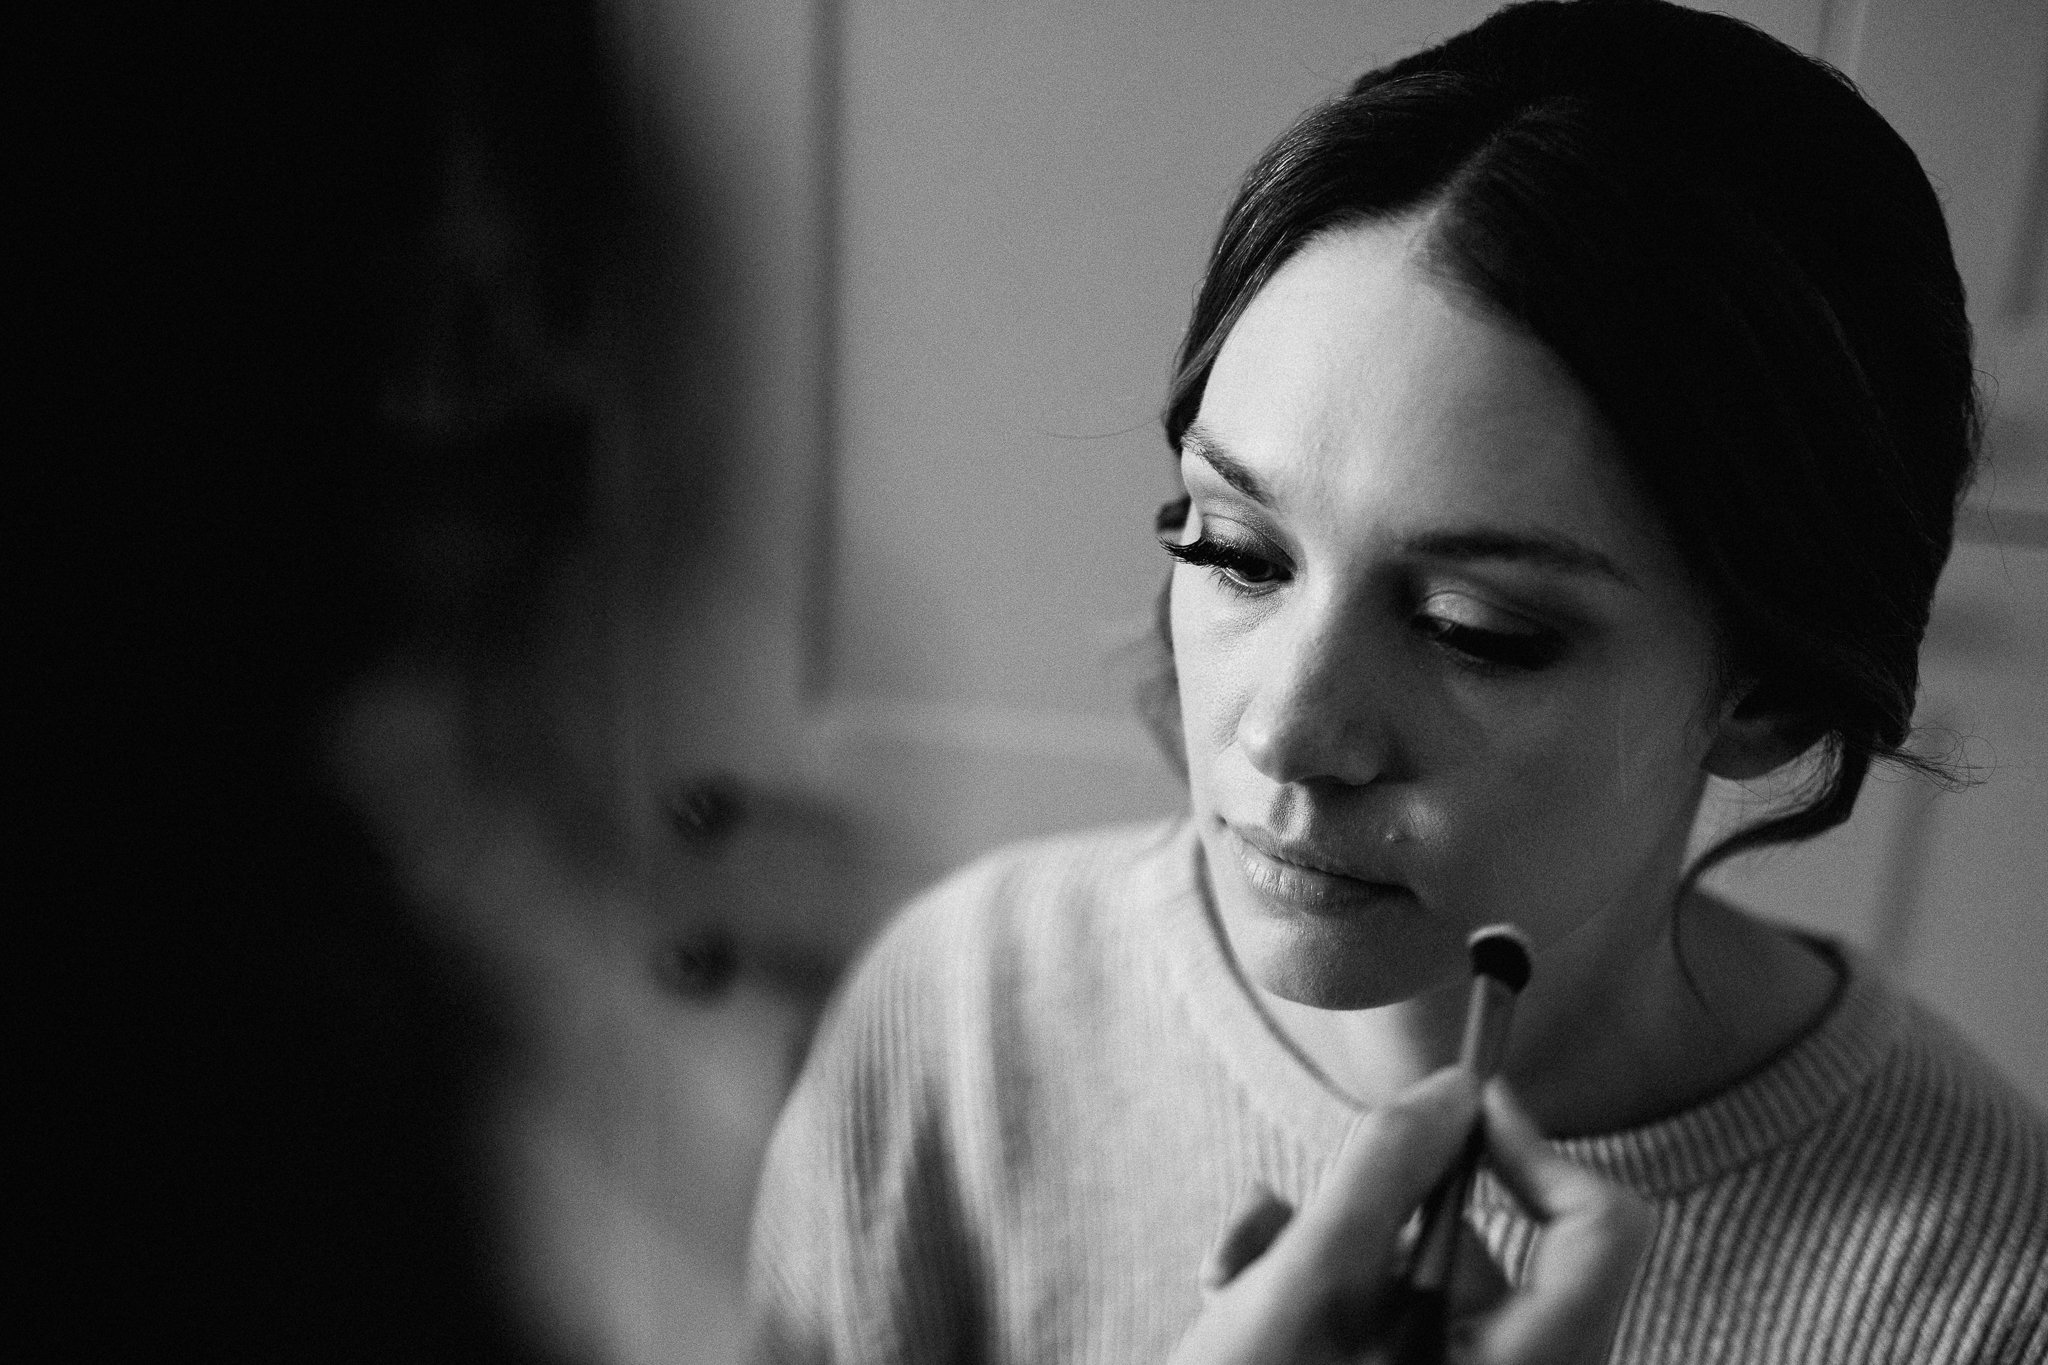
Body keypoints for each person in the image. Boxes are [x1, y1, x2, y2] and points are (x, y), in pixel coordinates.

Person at [745, 1, 2048, 1361]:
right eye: (1240, 552)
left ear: (1766, 691)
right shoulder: (957, 1019)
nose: (1290, 729)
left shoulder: (1993, 1286)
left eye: (1478, 629)